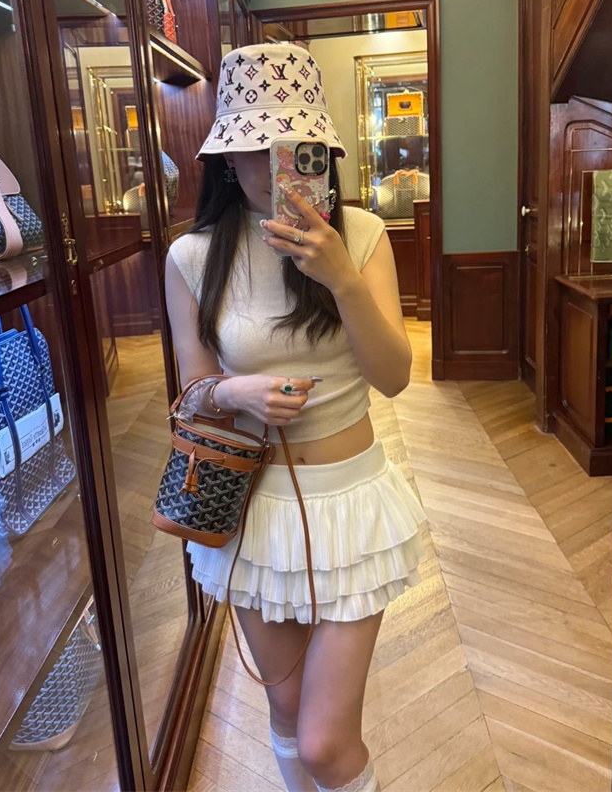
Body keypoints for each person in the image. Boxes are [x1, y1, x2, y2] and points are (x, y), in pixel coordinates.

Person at [165, 43, 425, 792]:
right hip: (254, 509)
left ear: (320, 152)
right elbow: (192, 390)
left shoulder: (362, 237)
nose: (270, 165)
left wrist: (342, 278)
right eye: (252, 146)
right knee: (284, 713)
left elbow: (395, 377)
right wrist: (234, 393)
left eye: (290, 144)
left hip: (354, 504)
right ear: (224, 156)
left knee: (324, 742)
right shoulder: (191, 258)